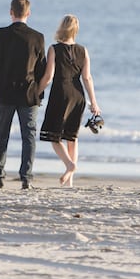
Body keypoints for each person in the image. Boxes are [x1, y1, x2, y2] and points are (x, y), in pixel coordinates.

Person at [0, 0, 47, 190]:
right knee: (28, 136)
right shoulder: (37, 37)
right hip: (29, 93)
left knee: (1, 135)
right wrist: (38, 92)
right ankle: (26, 177)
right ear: (28, 13)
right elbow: (42, 69)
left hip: (3, 92)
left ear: (11, 12)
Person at [38, 14, 101, 187]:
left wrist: (36, 91)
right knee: (72, 137)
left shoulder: (54, 49)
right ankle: (69, 181)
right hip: (78, 95)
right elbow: (87, 78)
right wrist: (94, 102)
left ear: (61, 28)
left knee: (53, 135)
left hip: (61, 94)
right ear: (76, 30)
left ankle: (70, 165)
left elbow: (49, 77)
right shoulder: (83, 50)